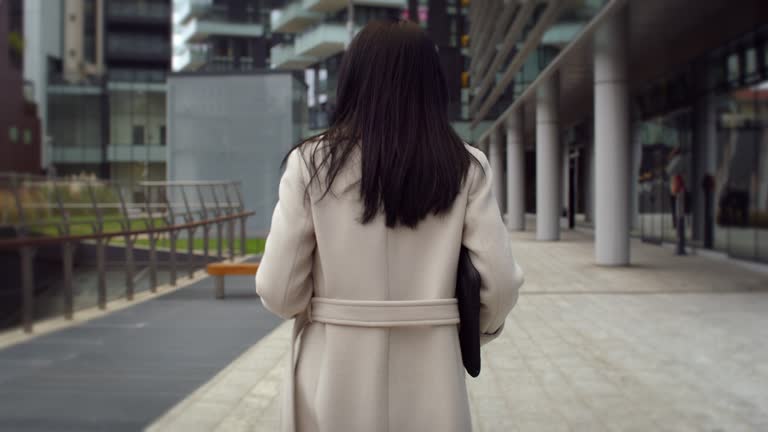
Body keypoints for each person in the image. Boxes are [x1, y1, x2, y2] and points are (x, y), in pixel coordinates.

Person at [256, 20, 524, 432]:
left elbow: (279, 290)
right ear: (432, 84)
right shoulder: (465, 167)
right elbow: (500, 284)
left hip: (330, 373)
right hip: (432, 373)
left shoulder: (310, 164)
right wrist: (465, 329)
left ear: (353, 81)